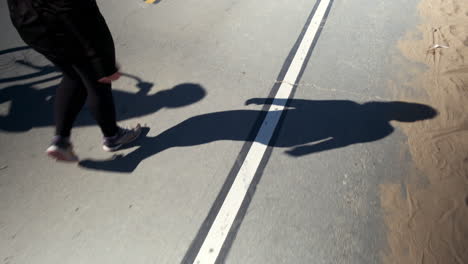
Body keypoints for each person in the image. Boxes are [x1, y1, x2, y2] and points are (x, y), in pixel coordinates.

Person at [7, 0, 142, 162]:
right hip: (66, 26)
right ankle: (113, 136)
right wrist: (101, 61)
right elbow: (70, 9)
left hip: (29, 25)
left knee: (73, 76)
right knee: (98, 80)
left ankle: (61, 140)